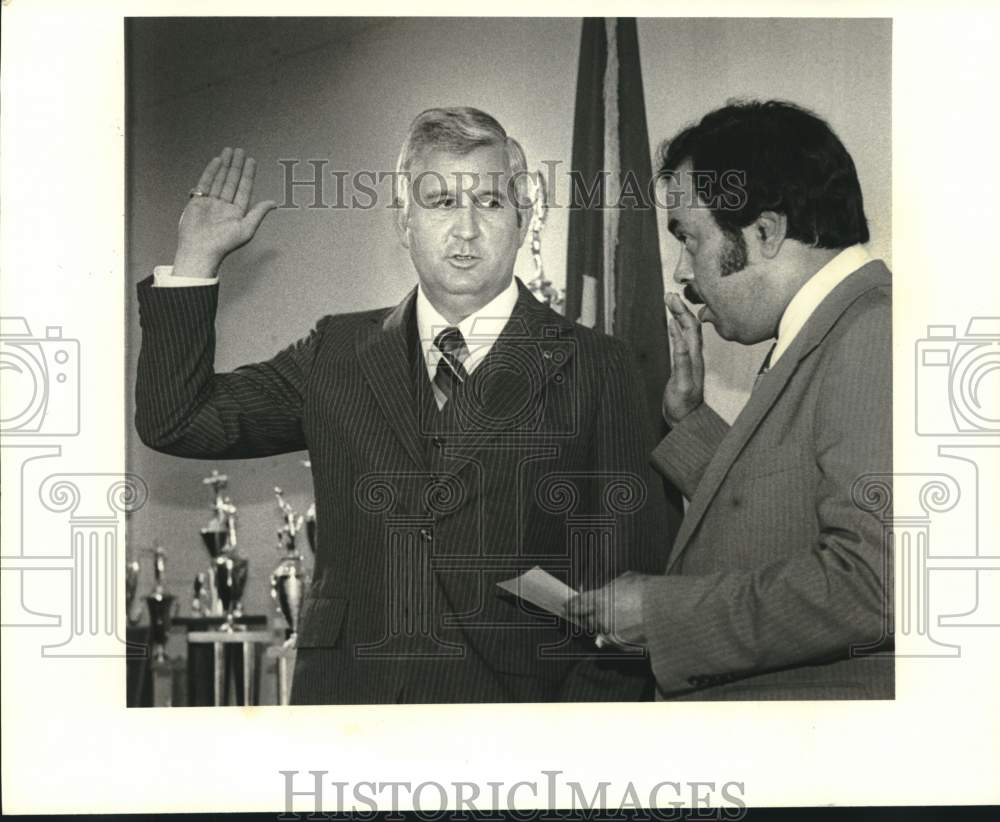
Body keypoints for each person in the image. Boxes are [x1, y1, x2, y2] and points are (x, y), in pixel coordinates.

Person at [134, 107, 670, 704]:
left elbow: (631, 589)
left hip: (515, 725)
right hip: (349, 711)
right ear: (403, 221)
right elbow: (178, 419)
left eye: (490, 202)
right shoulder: (336, 351)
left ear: (522, 219)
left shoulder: (597, 366)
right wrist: (195, 261)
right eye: (440, 203)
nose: (465, 230)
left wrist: (567, 742)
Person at [569, 100, 893, 700]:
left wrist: (663, 615)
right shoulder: (831, 328)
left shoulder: (874, 332)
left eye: (690, 240)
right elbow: (778, 511)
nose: (682, 273)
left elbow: (875, 584)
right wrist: (687, 420)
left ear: (764, 232)